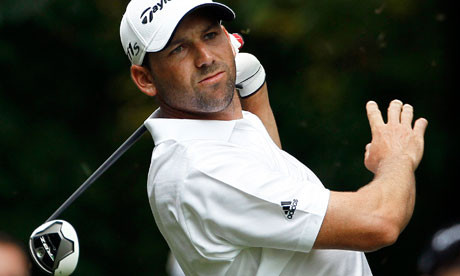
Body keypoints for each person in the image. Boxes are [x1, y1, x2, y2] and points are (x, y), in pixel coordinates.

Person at [119, 0, 428, 275]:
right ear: (145, 79)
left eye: (210, 35)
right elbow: (380, 222)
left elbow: (268, 165)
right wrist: (397, 158)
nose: (205, 58)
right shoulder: (200, 171)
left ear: (228, 38)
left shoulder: (219, 133)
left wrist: (254, 85)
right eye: (179, 49)